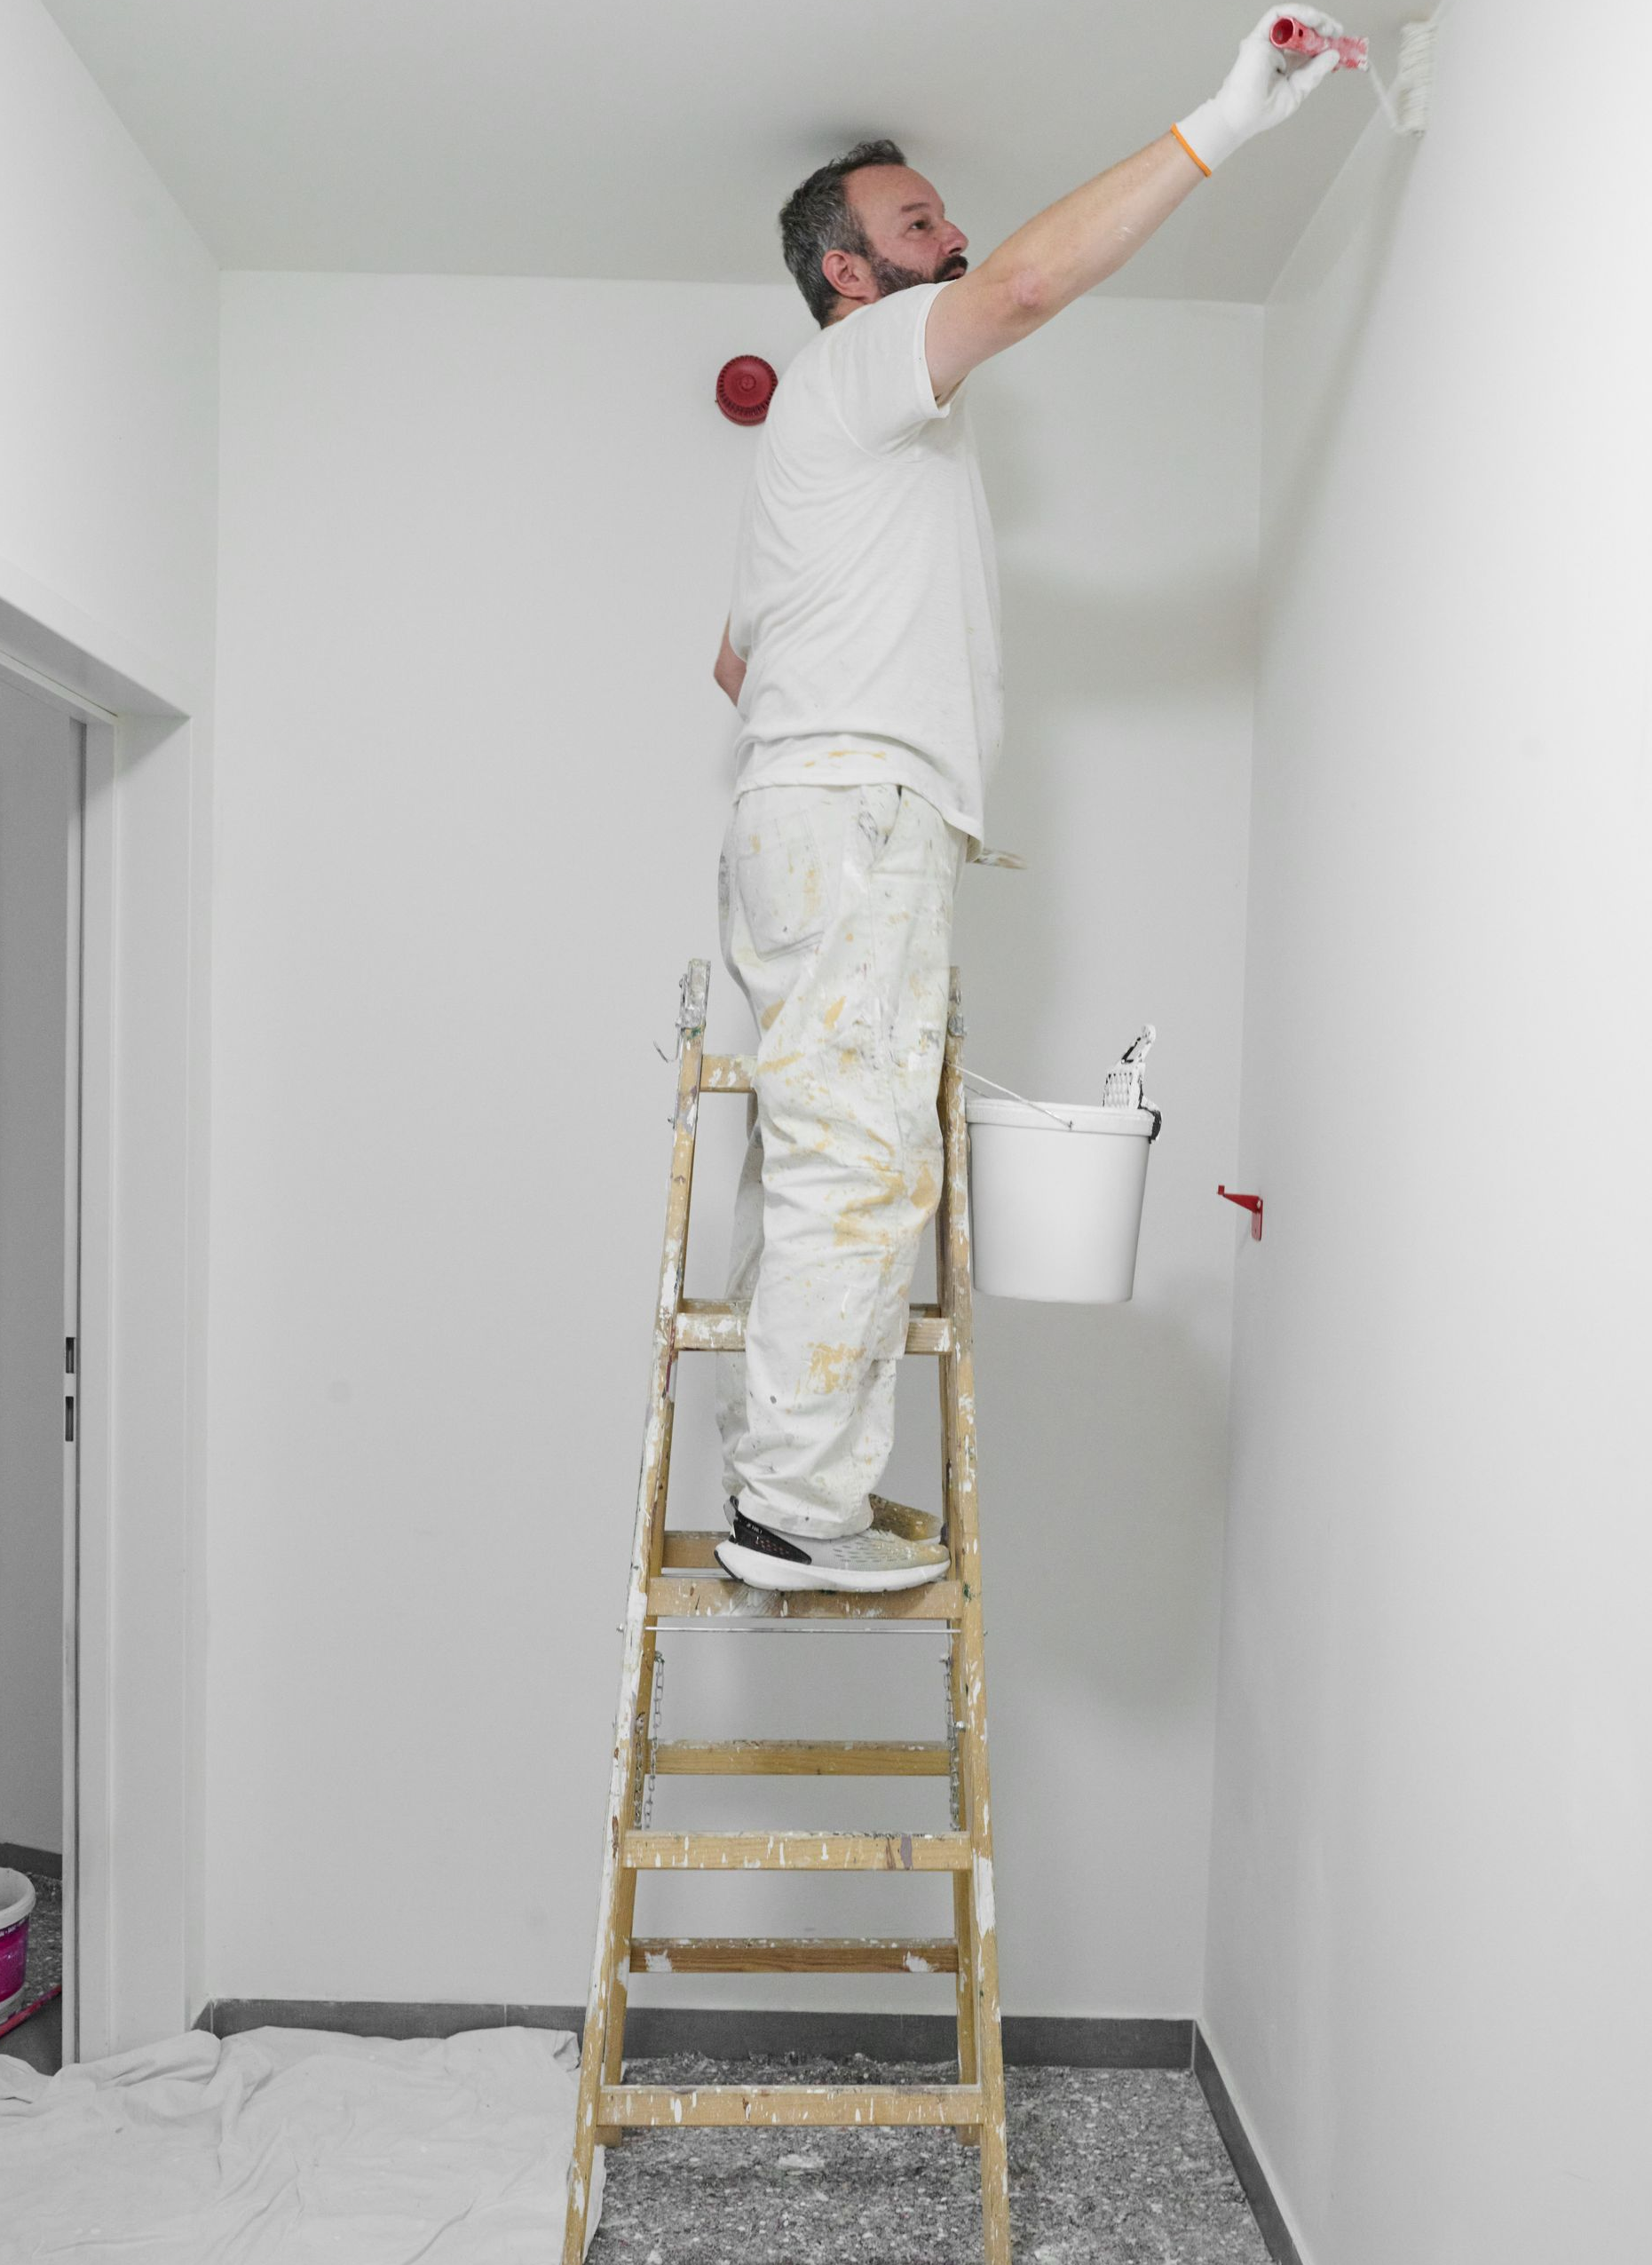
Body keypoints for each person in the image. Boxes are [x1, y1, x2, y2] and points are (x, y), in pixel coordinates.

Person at [712, 7, 1345, 1595]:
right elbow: (1029, 286)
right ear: (848, 276)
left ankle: (775, 1466)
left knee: (821, 1146)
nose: (955, 239)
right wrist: (1221, 124)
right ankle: (793, 1507)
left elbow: (734, 663)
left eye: (944, 217)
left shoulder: (832, 455)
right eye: (915, 225)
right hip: (854, 814)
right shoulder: (860, 368)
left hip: (803, 812)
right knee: (861, 1155)